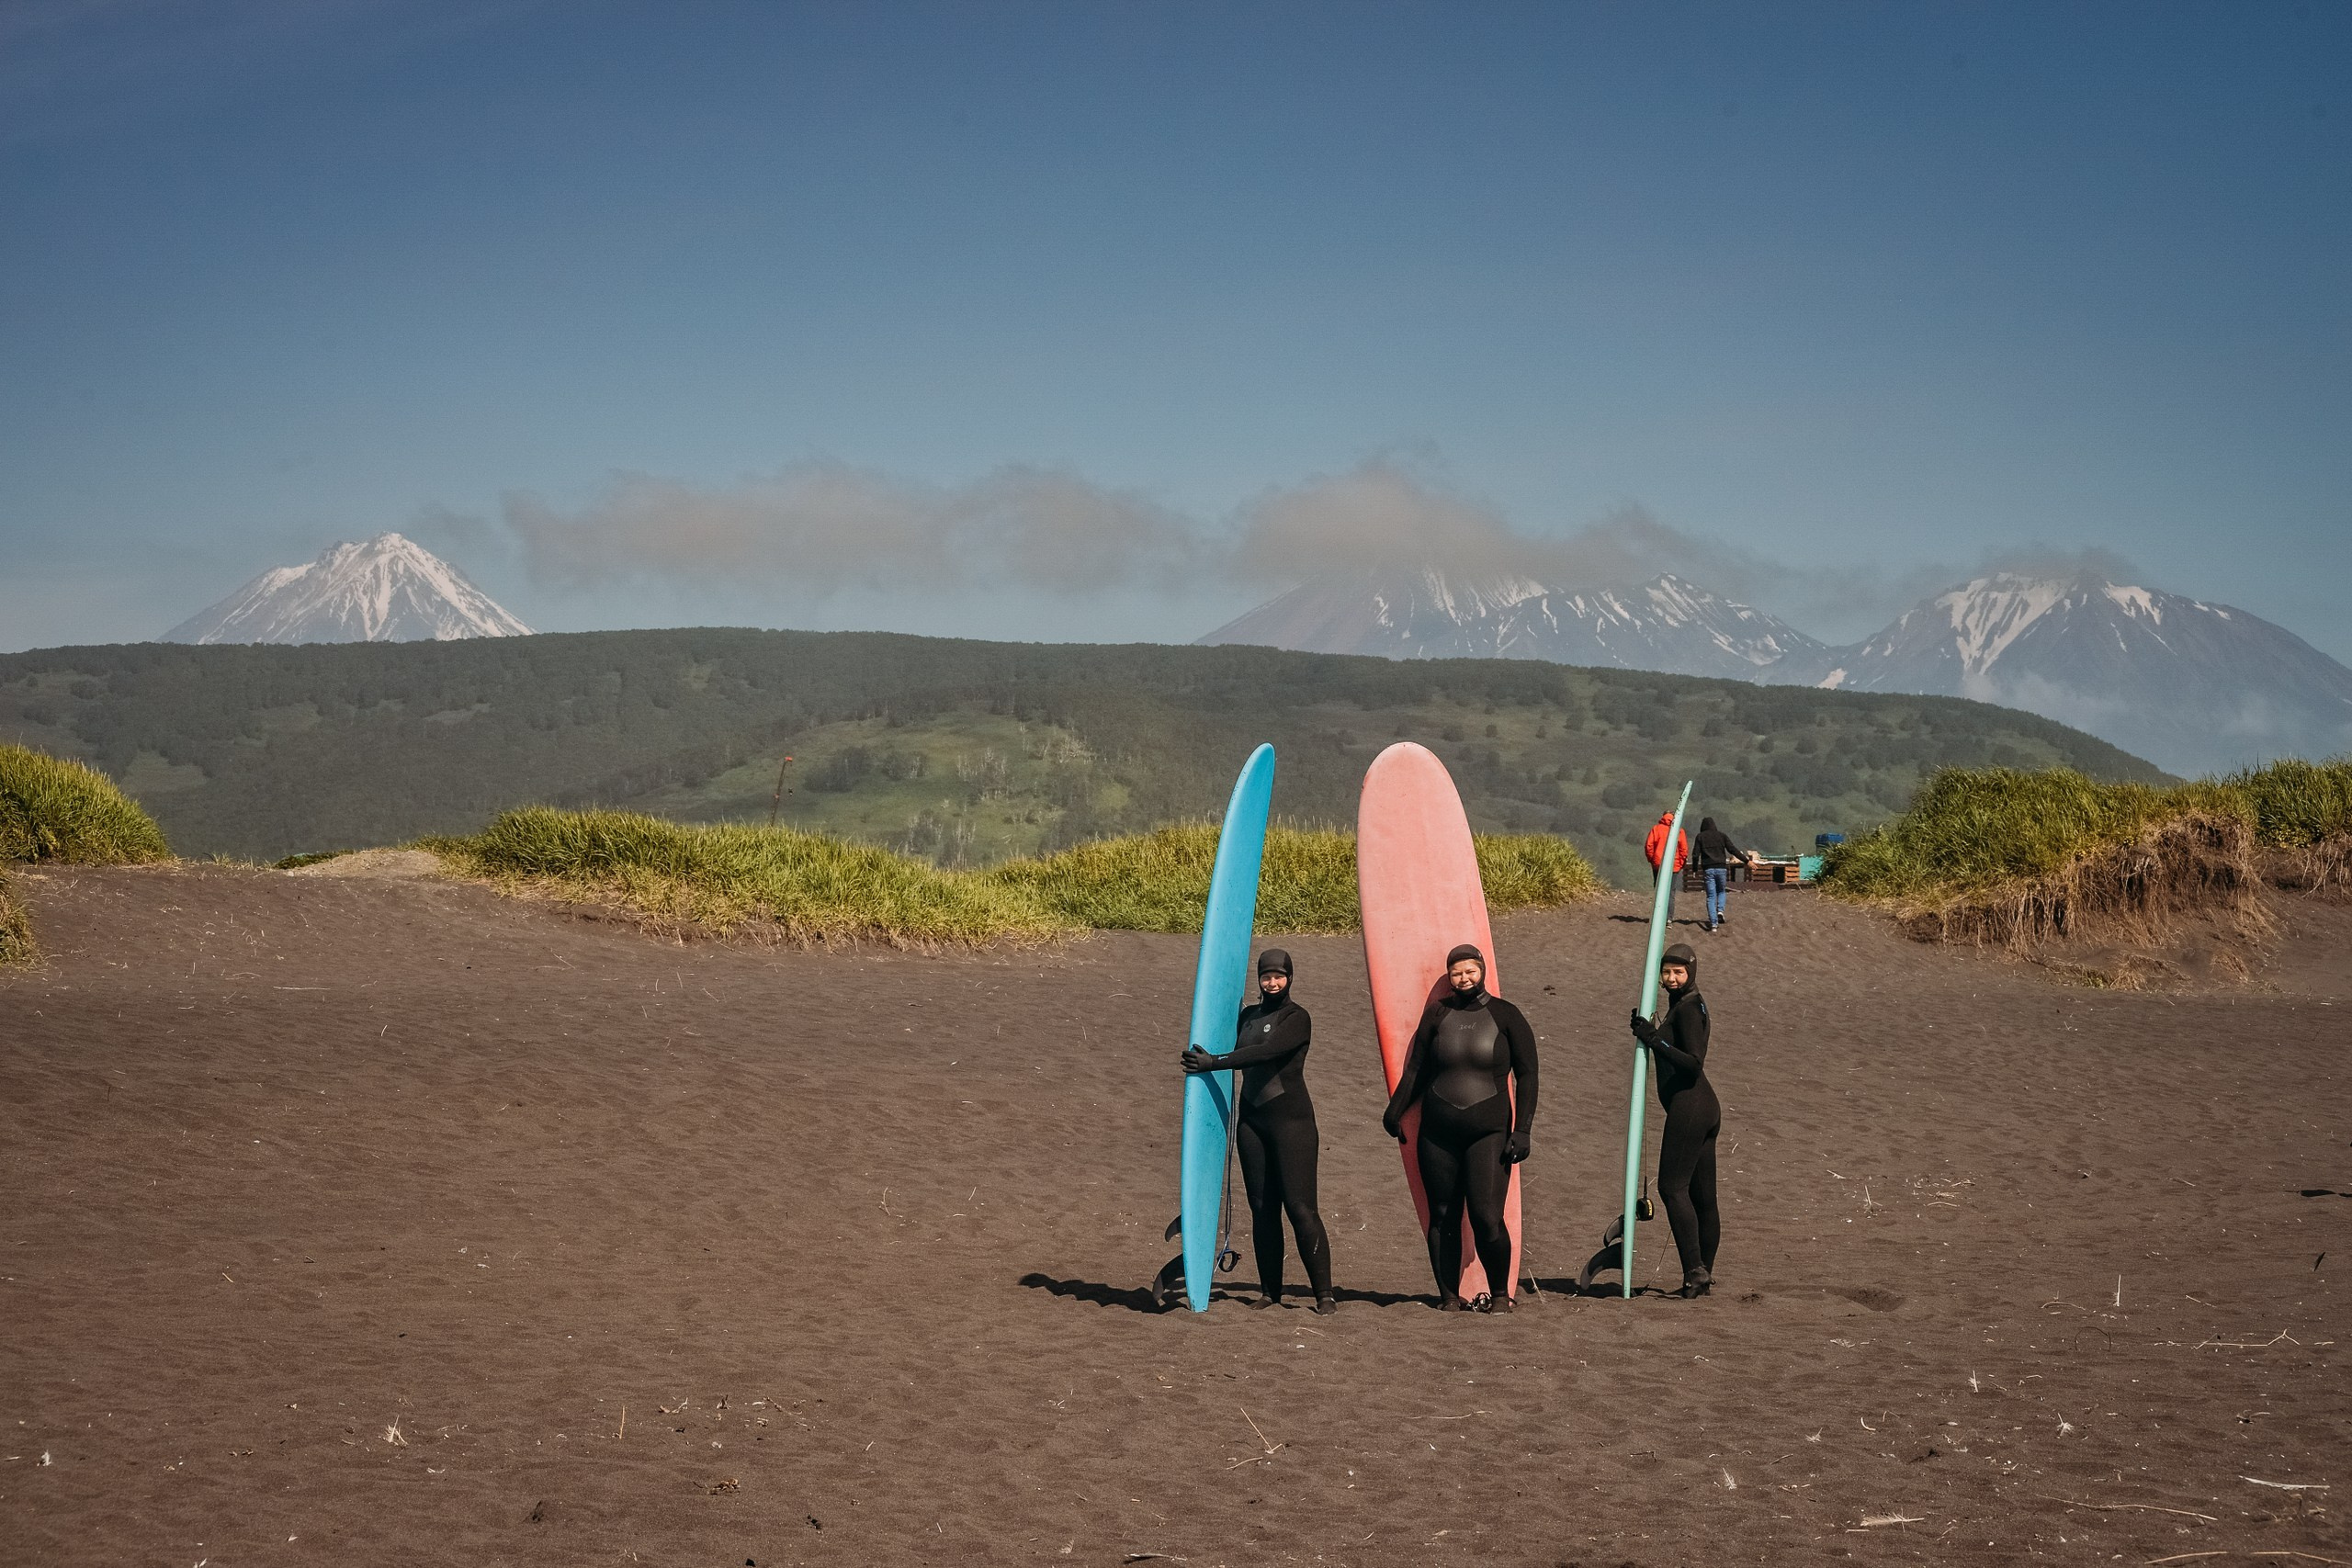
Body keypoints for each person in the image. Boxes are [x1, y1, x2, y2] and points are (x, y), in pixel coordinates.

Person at [1381, 944, 1538, 1313]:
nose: (1464, 978)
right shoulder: (1437, 1014)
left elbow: (1528, 1074)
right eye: (1456, 973)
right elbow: (1417, 1069)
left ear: (1482, 970)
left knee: (1486, 1217)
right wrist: (1395, 1110)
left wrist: (1524, 1129)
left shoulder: (1506, 1015)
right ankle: (1449, 1296)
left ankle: (1500, 1294)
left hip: (1489, 1133)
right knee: (1443, 1215)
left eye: (1470, 971)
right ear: (1448, 977)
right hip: (1437, 1133)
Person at [1182, 949, 1336, 1314]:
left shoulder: (1298, 1018)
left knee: (1300, 1209)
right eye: (1266, 976)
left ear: (1290, 978)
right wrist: (1202, 1053)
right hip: (1252, 1122)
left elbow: (1267, 1053)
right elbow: (1224, 1039)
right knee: (1262, 1208)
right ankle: (1270, 1292)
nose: (1272, 982)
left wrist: (1213, 1063)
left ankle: (1324, 1295)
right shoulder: (1247, 1017)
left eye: (1279, 976)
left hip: (1292, 1124)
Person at [1627, 942, 1720, 1297]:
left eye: (1679, 972)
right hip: (1703, 1108)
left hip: (1691, 1106)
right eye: (1666, 972)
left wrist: (1653, 1040)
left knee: (1671, 1188)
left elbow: (1694, 1062)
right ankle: (1703, 1276)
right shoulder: (1681, 1005)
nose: (1671, 978)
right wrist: (1652, 1032)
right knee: (1702, 1198)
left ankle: (1695, 1270)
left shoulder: (1688, 1009)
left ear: (1692, 972)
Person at [1691, 817, 1751, 933]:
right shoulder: (1721, 836)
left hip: (1708, 869)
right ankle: (1720, 911)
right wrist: (1747, 861)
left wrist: (1694, 869)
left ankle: (1713, 924)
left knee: (1711, 896)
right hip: (1721, 868)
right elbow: (1733, 850)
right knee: (1721, 891)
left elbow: (1695, 855)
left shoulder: (1700, 837)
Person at [1644, 809, 1690, 880]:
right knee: (1671, 888)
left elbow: (1649, 846)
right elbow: (1683, 850)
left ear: (1663, 816)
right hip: (1674, 864)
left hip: (1658, 864)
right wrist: (1680, 864)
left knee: (1658, 887)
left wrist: (1653, 860)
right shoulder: (1679, 831)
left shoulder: (1656, 829)